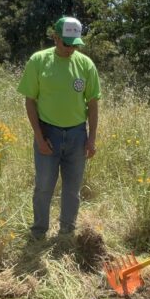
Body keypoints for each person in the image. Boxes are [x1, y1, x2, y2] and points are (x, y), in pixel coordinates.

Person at [18, 16, 101, 239]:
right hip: (48, 133)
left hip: (76, 134)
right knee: (44, 186)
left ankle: (67, 230)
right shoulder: (38, 61)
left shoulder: (85, 64)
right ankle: (39, 231)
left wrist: (91, 139)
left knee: (73, 189)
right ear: (55, 37)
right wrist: (39, 137)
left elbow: (93, 105)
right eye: (67, 43)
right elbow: (30, 101)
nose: (71, 48)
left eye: (75, 44)